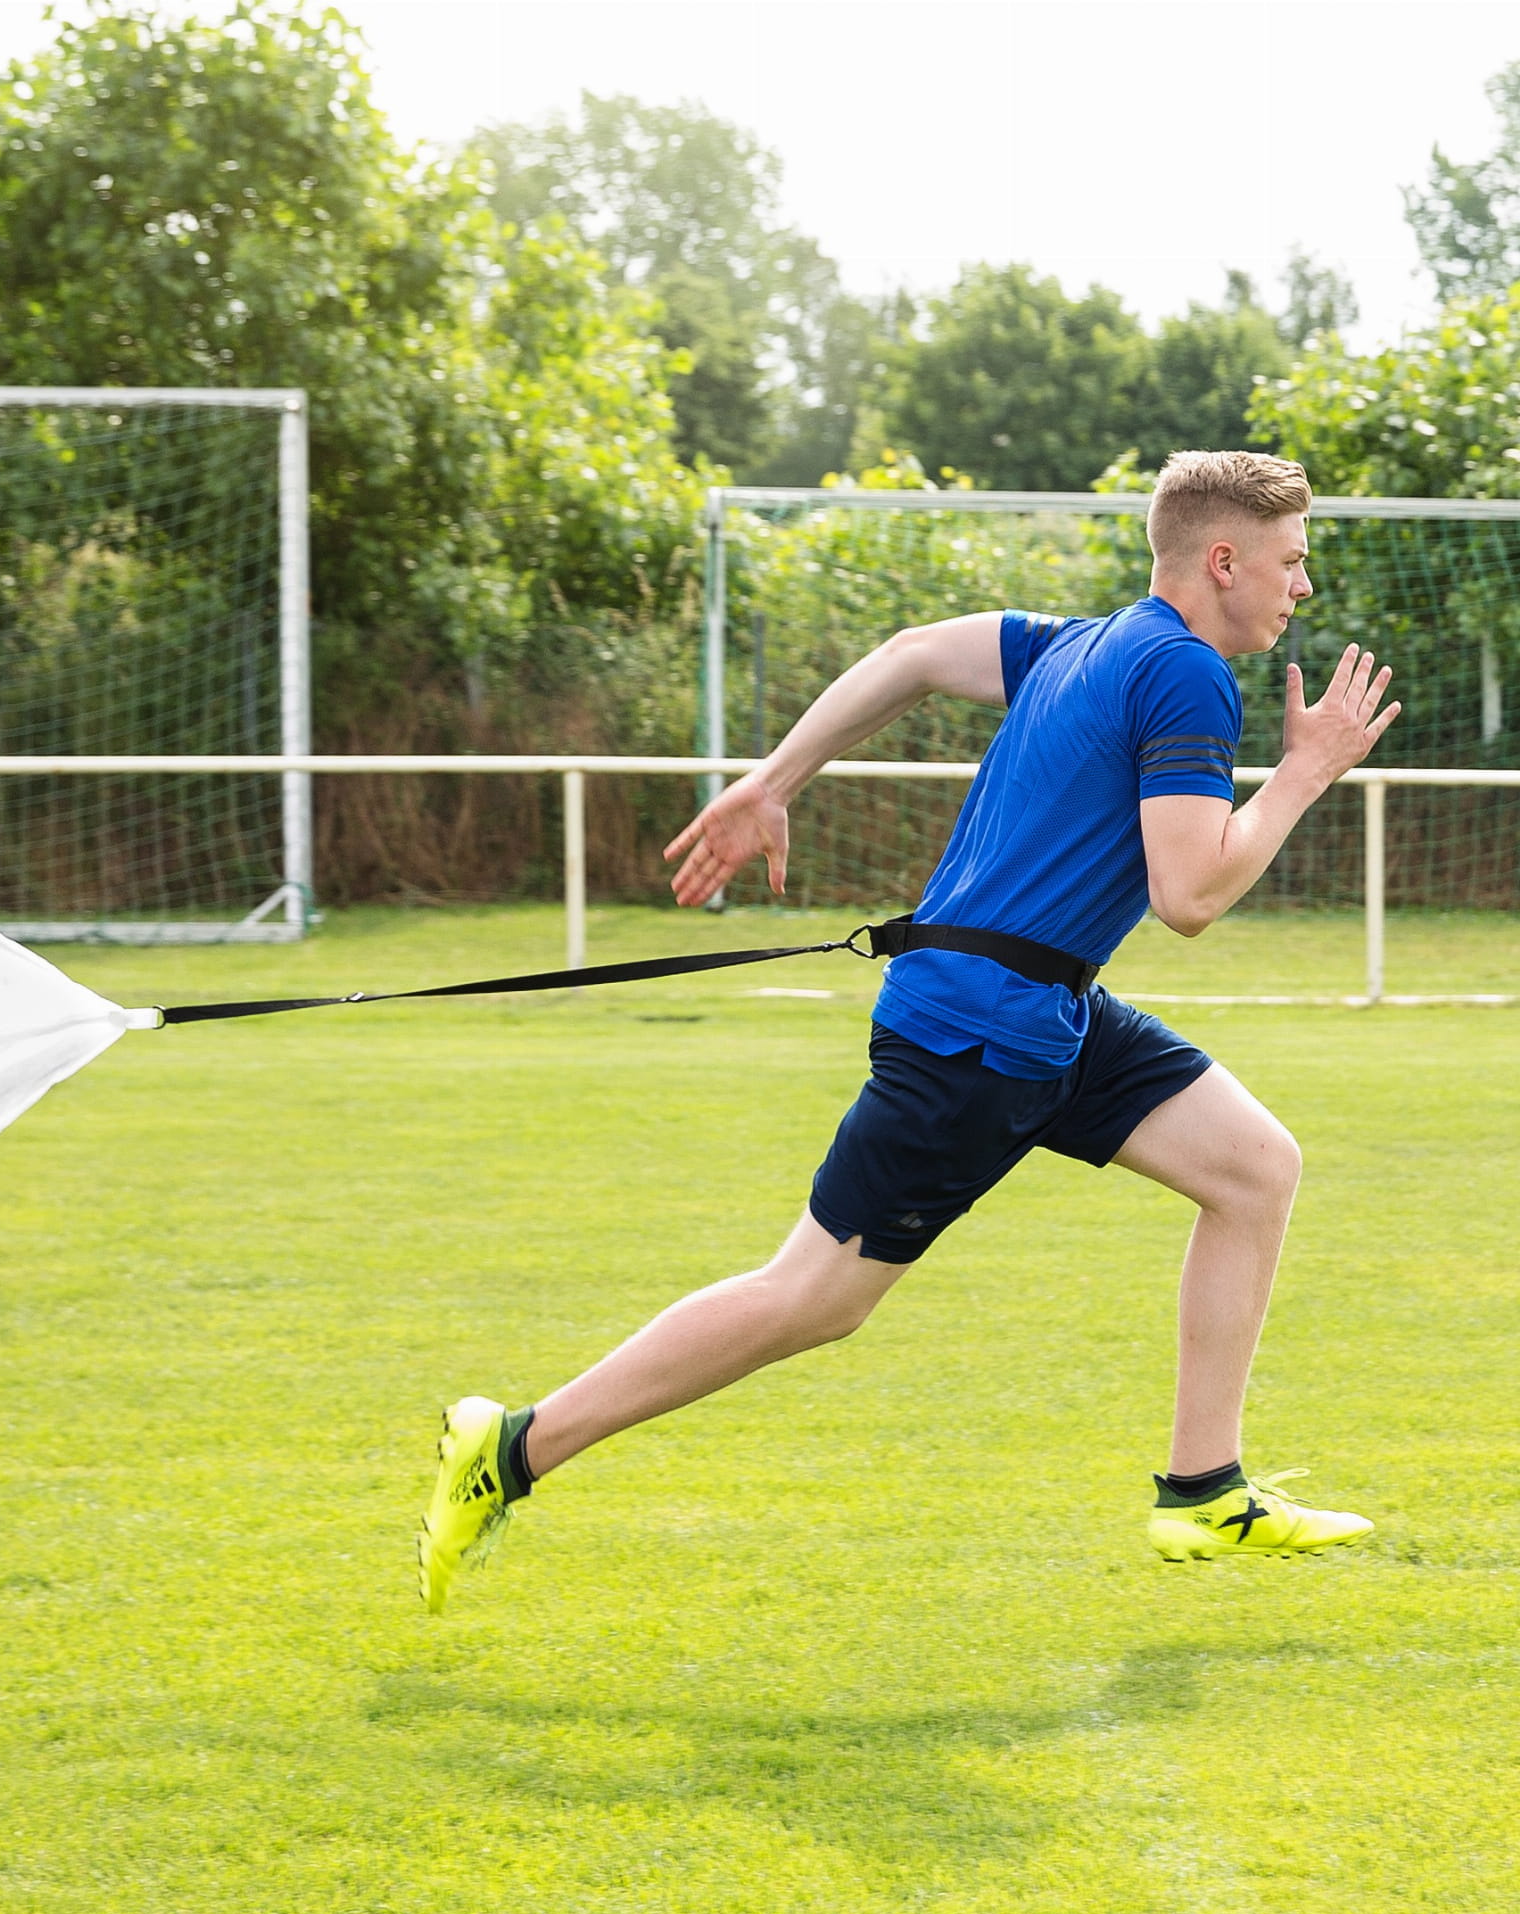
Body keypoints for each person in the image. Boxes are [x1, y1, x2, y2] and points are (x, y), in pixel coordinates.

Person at [417, 448, 1401, 1613]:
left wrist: (771, 779)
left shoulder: (1073, 643)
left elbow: (912, 652)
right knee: (812, 1296)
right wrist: (1303, 771)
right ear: (1222, 560)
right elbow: (1188, 894)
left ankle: (1203, 1490)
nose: (1301, 587)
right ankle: (511, 1445)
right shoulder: (1182, 673)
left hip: (1043, 1010)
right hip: (975, 1036)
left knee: (1252, 1166)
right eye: (1289, 562)